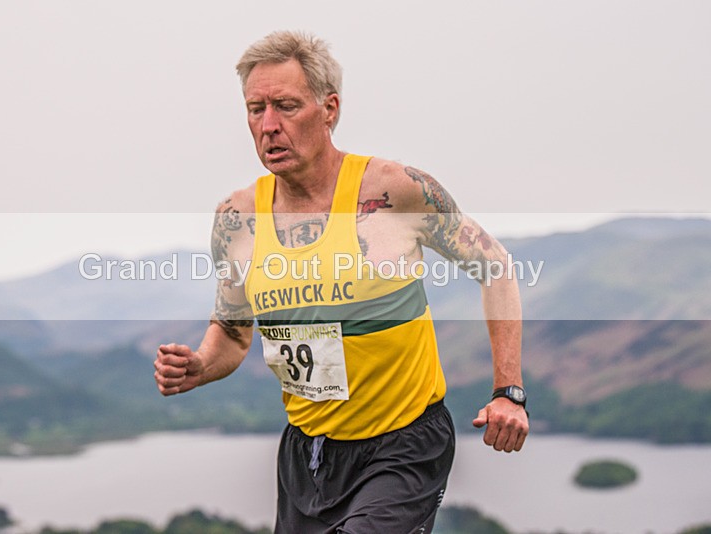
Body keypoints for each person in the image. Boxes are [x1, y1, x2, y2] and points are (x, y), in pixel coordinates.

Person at [154, 30, 528, 534]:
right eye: (255, 108)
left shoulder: (393, 190)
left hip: (403, 444)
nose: (268, 126)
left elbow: (496, 266)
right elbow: (233, 333)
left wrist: (509, 390)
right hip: (306, 455)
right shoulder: (237, 219)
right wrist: (199, 364)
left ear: (329, 109)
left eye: (286, 106)